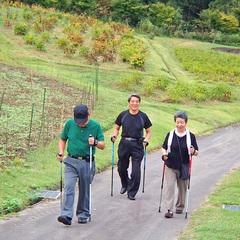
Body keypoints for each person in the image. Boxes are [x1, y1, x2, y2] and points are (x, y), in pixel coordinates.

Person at [56, 104, 105, 225]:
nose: (81, 124)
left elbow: (102, 145)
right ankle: (66, 215)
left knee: (84, 188)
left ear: (89, 115)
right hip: (71, 161)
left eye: (83, 122)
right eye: (78, 122)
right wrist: (61, 152)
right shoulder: (69, 124)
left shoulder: (95, 126)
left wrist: (95, 142)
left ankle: (83, 214)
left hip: (87, 161)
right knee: (68, 186)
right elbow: (63, 139)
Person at [111, 94, 152, 200]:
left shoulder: (143, 116)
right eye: (132, 101)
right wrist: (115, 135)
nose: (135, 103)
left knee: (136, 171)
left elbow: (148, 132)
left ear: (139, 103)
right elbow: (116, 128)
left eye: (137, 101)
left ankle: (132, 192)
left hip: (137, 144)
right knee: (121, 168)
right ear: (129, 103)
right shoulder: (123, 115)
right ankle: (125, 184)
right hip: (124, 143)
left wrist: (146, 139)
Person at [161, 110, 198, 218]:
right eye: (177, 122)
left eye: (182, 122)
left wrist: (193, 152)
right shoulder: (171, 134)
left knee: (182, 189)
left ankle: (180, 206)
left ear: (186, 123)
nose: (179, 125)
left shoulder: (191, 136)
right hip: (170, 165)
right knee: (170, 187)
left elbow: (196, 152)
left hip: (184, 166)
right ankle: (169, 209)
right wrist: (164, 154)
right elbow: (163, 148)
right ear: (175, 122)